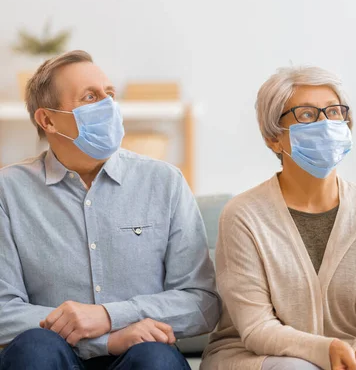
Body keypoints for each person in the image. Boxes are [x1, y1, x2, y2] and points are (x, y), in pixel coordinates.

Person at [0, 50, 221, 370]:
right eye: (90, 97)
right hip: (51, 358)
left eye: (110, 94)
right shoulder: (8, 190)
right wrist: (105, 340)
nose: (107, 105)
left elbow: (202, 303)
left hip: (142, 357)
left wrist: (107, 316)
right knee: (36, 348)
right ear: (48, 119)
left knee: (154, 356)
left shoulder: (164, 182)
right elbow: (3, 311)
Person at [201, 66, 356, 370]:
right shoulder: (243, 215)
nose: (326, 124)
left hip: (349, 354)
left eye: (335, 113)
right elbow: (257, 327)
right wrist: (326, 350)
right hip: (257, 357)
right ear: (273, 138)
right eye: (308, 115)